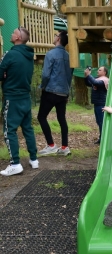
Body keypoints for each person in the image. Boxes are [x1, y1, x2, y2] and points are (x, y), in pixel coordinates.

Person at [0, 26, 38, 176]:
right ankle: (34, 159)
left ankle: (15, 164)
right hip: (25, 98)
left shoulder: (10, 54)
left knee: (9, 131)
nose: (11, 33)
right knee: (27, 128)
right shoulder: (29, 55)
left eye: (13, 32)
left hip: (12, 98)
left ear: (17, 38)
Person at [37, 30, 73, 156]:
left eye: (56, 35)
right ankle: (64, 147)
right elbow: (70, 76)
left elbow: (46, 74)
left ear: (58, 39)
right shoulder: (70, 56)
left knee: (41, 117)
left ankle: (51, 145)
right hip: (63, 92)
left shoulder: (50, 54)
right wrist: (67, 91)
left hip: (51, 91)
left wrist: (43, 86)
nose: (54, 37)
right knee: (62, 119)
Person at [84, 66, 109, 145]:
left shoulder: (104, 80)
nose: (98, 71)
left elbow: (95, 83)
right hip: (97, 103)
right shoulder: (97, 79)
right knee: (99, 122)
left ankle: (104, 139)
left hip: (102, 104)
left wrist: (89, 75)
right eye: (98, 69)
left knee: (102, 122)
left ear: (104, 72)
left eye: (100, 70)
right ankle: (101, 137)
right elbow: (88, 83)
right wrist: (86, 76)